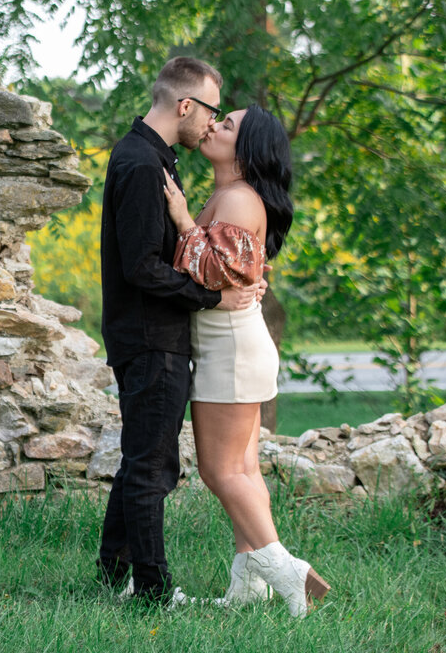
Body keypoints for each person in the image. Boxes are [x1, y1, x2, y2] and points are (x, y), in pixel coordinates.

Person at [97, 57, 262, 605]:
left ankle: (112, 574)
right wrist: (214, 297)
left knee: (139, 459)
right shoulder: (144, 164)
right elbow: (142, 267)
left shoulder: (147, 155)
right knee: (153, 467)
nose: (211, 125)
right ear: (185, 105)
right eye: (210, 111)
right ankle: (152, 588)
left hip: (147, 333)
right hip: (150, 336)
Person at [162, 103, 330, 618]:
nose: (212, 125)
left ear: (247, 149)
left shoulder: (238, 198)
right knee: (244, 468)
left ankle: (289, 573)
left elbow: (215, 274)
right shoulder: (230, 194)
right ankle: (247, 586)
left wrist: (183, 220)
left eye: (227, 124)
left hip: (230, 349)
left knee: (218, 469)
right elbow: (240, 270)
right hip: (233, 344)